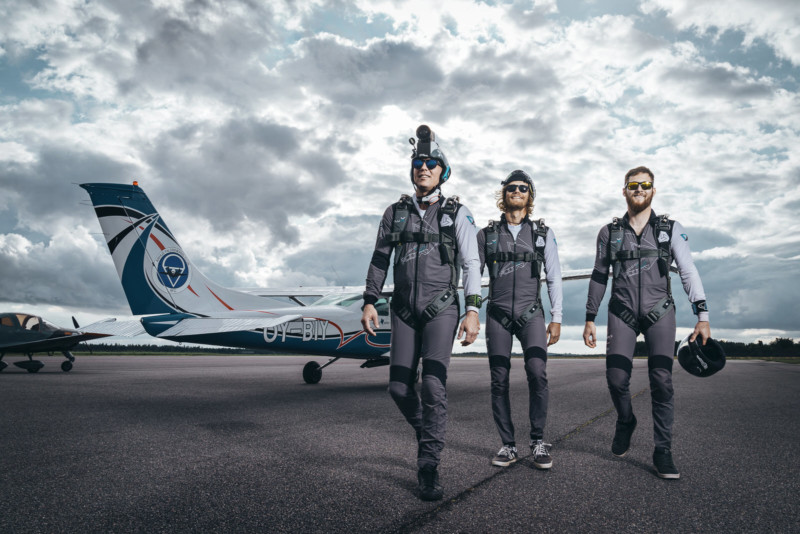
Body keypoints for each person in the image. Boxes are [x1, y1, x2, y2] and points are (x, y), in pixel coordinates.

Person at [361, 125, 481, 501]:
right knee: (398, 388)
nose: (423, 168)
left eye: (430, 163)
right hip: (403, 311)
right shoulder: (394, 213)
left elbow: (472, 263)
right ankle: (429, 432)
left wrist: (473, 309)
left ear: (442, 171)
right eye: (417, 163)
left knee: (431, 385)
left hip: (440, 309)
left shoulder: (457, 213)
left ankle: (428, 465)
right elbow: (380, 258)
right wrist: (369, 299)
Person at [582, 166, 711, 479]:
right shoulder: (609, 233)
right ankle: (626, 420)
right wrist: (589, 317)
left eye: (645, 185)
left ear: (654, 190)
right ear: (624, 190)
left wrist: (702, 316)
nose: (639, 189)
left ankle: (662, 449)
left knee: (662, 381)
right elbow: (599, 275)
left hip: (659, 311)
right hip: (621, 310)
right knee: (615, 379)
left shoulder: (670, 229)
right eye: (633, 185)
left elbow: (689, 271)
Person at [477, 170, 563, 470]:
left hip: (532, 315)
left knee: (537, 372)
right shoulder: (486, 235)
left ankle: (538, 442)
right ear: (504, 195)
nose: (517, 191)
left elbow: (554, 277)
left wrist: (557, 317)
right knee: (498, 380)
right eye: (511, 187)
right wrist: (471, 312)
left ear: (530, 196)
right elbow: (471, 276)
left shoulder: (543, 234)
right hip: (497, 316)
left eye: (523, 188)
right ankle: (508, 445)